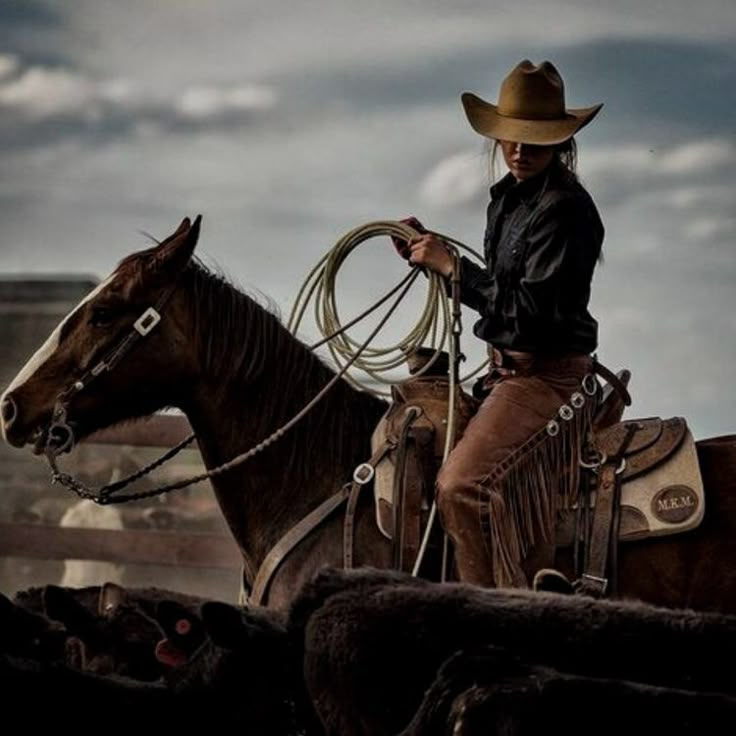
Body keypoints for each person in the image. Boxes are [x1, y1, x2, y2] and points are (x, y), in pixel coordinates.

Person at [393, 59, 604, 589]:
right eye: (510, 136)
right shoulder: (506, 201)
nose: (519, 149)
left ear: (560, 142)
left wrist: (454, 269)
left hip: (546, 378)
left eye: (534, 138)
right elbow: (507, 291)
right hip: (507, 374)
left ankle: (495, 618)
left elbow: (529, 314)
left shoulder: (567, 209)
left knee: (461, 484)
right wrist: (433, 256)